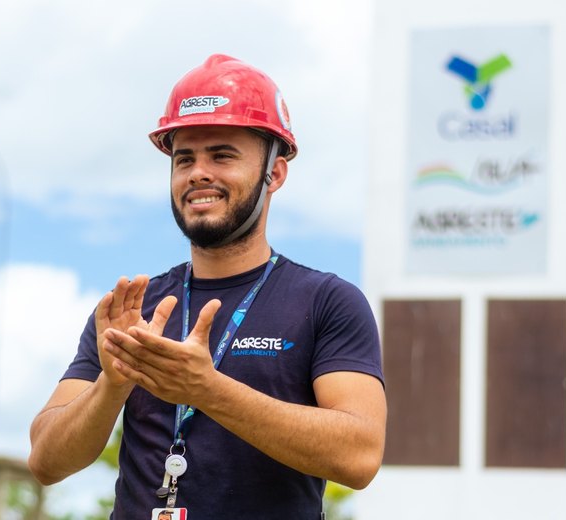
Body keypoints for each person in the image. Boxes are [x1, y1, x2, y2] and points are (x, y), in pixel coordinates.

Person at [28, 54, 386, 519]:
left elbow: (359, 457)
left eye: (222, 155)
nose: (198, 172)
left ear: (274, 174)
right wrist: (112, 385)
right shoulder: (135, 308)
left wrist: (206, 389)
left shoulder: (327, 302)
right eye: (184, 159)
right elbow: (45, 461)